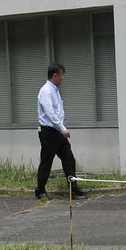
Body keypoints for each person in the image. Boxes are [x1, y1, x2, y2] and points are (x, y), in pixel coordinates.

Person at [34, 63, 88, 200]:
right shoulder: (46, 91)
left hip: (58, 131)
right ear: (55, 75)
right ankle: (40, 191)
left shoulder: (55, 90)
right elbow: (50, 113)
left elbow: (58, 111)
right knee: (46, 162)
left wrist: (61, 128)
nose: (63, 78)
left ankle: (73, 189)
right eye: (61, 75)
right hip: (49, 132)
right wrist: (63, 129)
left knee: (69, 159)